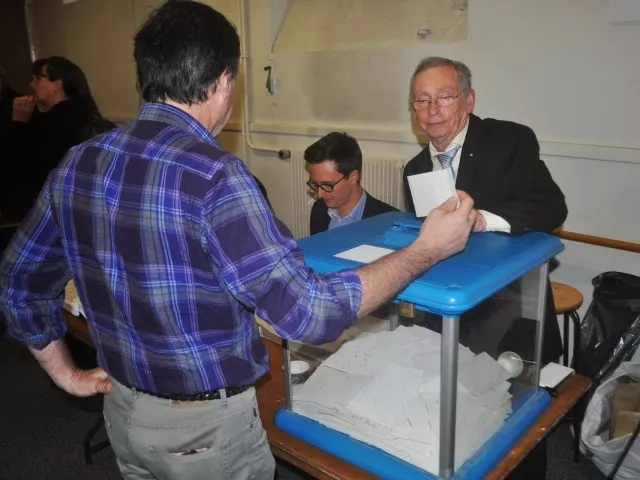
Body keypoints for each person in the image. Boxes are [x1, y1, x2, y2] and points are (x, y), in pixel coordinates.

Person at [0, 3, 476, 480]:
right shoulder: (216, 176)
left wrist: (68, 376)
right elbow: (306, 313)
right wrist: (425, 250)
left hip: (123, 415)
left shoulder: (78, 162)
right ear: (224, 81)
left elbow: (18, 282)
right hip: (203, 436)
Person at [402, 56, 568, 479]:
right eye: (421, 100)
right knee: (466, 430)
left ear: (469, 99)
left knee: (520, 431)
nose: (431, 109)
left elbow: (551, 207)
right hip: (453, 315)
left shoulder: (507, 141)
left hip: (514, 310)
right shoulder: (416, 169)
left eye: (443, 96)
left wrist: (482, 220)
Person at [3, 56, 113, 222]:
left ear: (57, 85)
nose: (31, 85)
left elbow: (17, 164)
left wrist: (19, 121)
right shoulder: (90, 116)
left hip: (48, 213)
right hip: (85, 209)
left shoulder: (49, 123)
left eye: (38, 79)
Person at [306, 132, 398, 235]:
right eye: (315, 184)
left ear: (353, 178)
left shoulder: (389, 221)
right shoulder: (319, 210)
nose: (320, 194)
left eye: (327, 185)